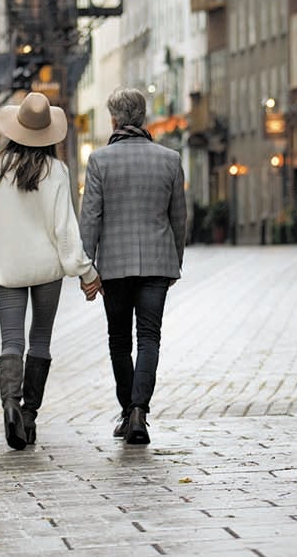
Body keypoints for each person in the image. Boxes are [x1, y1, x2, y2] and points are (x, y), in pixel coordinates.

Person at [0, 91, 101, 450]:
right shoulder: (56, 171)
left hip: (7, 269)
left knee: (12, 341)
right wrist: (86, 273)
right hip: (46, 271)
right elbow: (65, 230)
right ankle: (28, 415)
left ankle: (9, 403)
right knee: (40, 341)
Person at [79, 87, 187, 445]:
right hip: (157, 262)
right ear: (142, 118)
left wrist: (87, 269)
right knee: (149, 337)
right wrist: (174, 263)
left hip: (114, 266)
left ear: (114, 120)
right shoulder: (169, 159)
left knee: (119, 339)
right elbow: (179, 219)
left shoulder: (99, 161)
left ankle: (128, 411)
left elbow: (90, 219)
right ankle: (140, 409)